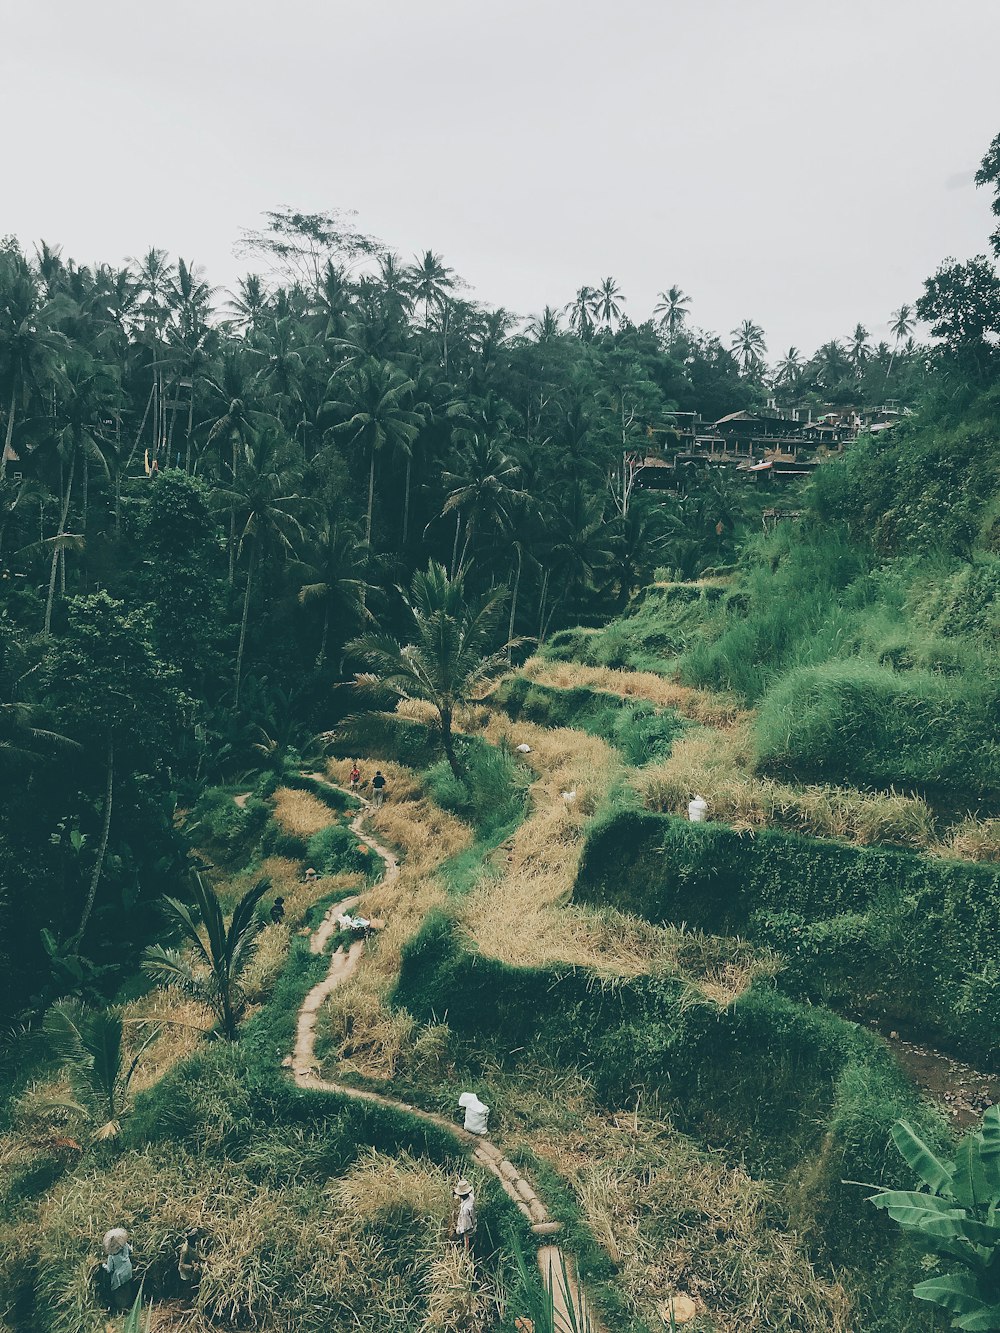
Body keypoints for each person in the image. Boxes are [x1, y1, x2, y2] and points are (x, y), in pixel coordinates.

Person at [100, 1227, 134, 1312]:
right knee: (127, 1288)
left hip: (119, 1275)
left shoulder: (111, 1256)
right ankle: (130, 1304)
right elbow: (131, 1251)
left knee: (119, 1291)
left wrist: (103, 1265)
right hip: (128, 1269)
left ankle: (122, 1308)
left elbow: (109, 1269)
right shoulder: (125, 1246)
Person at [177, 1228, 203, 1300]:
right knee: (187, 1287)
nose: (197, 1236)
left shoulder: (196, 1245)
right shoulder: (185, 1249)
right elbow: (181, 1265)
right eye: (195, 1235)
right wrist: (191, 1268)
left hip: (193, 1267)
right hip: (185, 1271)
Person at [452, 1180, 476, 1250]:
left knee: (467, 1248)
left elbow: (466, 1227)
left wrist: (457, 1230)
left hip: (467, 1234)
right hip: (473, 1225)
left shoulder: (465, 1210)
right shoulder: (471, 1197)